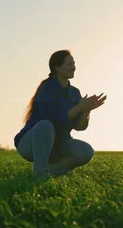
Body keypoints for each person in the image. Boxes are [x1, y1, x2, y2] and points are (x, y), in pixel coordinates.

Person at [14, 50, 107, 180]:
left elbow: (79, 127)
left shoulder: (74, 92)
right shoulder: (47, 89)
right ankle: (40, 174)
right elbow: (53, 120)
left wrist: (86, 110)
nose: (73, 67)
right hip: (31, 144)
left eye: (74, 63)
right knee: (45, 125)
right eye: (69, 64)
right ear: (57, 68)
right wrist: (79, 107)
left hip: (59, 145)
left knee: (86, 151)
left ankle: (51, 172)